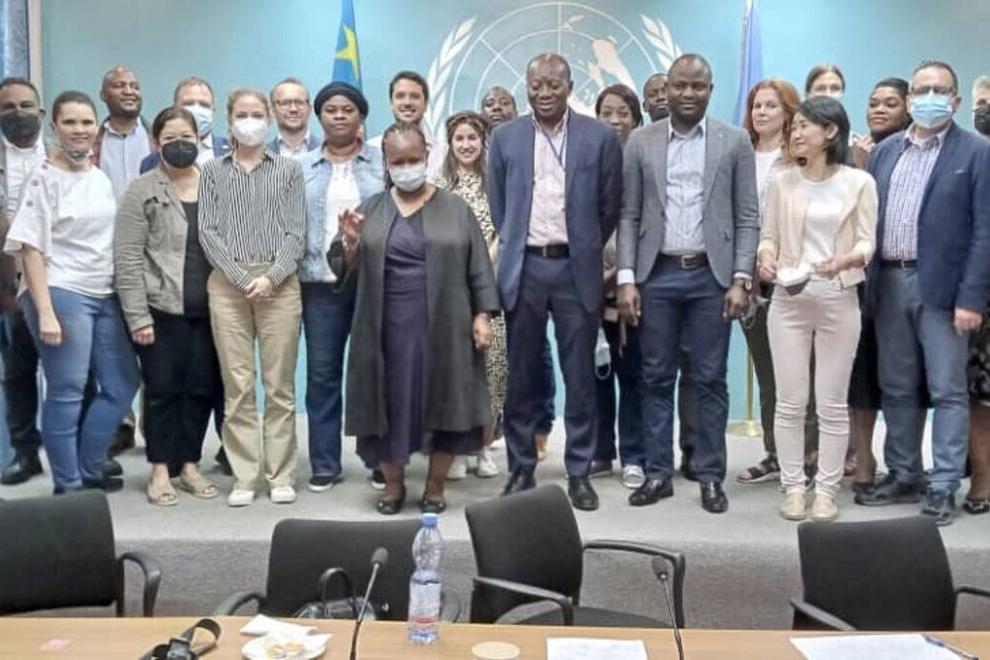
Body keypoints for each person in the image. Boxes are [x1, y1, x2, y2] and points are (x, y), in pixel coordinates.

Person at [332, 121, 499, 515]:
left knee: (446, 401)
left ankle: (435, 487)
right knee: (388, 405)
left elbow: (478, 265)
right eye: (398, 162)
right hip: (384, 330)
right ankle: (393, 487)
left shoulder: (455, 208)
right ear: (386, 163)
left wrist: (483, 314)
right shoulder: (370, 209)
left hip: (447, 326)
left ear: (427, 156)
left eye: (413, 159)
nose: (407, 167)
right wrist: (350, 244)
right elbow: (344, 270)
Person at [617, 53, 759, 513]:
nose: (688, 93)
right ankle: (658, 474)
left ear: (710, 90)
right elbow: (628, 213)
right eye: (680, 85)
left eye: (698, 86)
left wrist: (741, 279)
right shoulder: (640, 141)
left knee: (710, 379)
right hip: (655, 275)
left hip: (710, 277)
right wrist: (626, 278)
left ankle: (710, 476)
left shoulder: (734, 141)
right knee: (656, 377)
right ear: (666, 90)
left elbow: (747, 216)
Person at [857, 60, 990, 526]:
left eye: (940, 90)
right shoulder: (885, 151)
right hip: (889, 281)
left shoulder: (976, 152)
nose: (929, 97)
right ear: (911, 97)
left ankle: (944, 483)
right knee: (896, 386)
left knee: (947, 390)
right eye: (921, 89)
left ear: (955, 100)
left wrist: (972, 298)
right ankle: (905, 474)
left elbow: (985, 232)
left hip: (945, 291)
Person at [490, 53, 623, 511]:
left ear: (570, 86)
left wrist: (584, 246)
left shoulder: (599, 136)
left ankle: (580, 471)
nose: (544, 92)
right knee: (522, 374)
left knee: (580, 375)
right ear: (526, 87)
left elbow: (609, 206)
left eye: (553, 84)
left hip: (574, 268)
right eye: (536, 85)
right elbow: (500, 205)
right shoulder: (505, 137)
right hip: (525, 267)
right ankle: (521, 466)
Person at [3, 90, 139, 494]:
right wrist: (45, 311)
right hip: (61, 291)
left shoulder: (99, 178)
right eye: (70, 122)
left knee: (121, 384)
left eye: (86, 122)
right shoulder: (43, 177)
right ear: (55, 127)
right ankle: (68, 484)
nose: (79, 130)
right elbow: (29, 248)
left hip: (104, 292)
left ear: (96, 127)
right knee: (67, 389)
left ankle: (90, 465)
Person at [758, 96, 878, 522]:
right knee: (790, 402)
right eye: (794, 126)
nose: (796, 132)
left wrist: (847, 259)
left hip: (838, 296)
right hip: (789, 298)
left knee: (831, 403)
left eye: (804, 125)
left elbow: (867, 242)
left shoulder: (859, 182)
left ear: (830, 131)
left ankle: (826, 490)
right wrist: (766, 258)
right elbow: (768, 236)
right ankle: (793, 487)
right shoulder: (782, 181)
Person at [198, 88, 305, 507]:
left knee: (279, 387)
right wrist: (242, 278)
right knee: (238, 385)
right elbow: (208, 231)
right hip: (228, 285)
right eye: (241, 114)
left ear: (269, 119)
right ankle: (245, 474)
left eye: (257, 114)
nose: (250, 121)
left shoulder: (288, 170)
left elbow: (296, 232)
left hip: (279, 284)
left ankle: (280, 474)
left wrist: (271, 277)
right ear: (229, 120)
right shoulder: (212, 171)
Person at [114, 106, 221, 506]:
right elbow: (127, 257)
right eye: (171, 138)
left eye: (187, 138)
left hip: (211, 309)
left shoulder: (216, 185)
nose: (180, 145)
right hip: (159, 309)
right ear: (155, 142)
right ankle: (160, 469)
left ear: (199, 139)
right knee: (162, 389)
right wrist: (137, 317)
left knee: (200, 388)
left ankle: (189, 464)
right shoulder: (141, 189)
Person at [297, 81, 383, 492]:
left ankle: (380, 460)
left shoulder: (382, 162)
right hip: (319, 285)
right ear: (319, 117)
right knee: (322, 376)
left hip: (372, 284)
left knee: (375, 373)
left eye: (347, 109)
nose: (339, 116)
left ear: (361, 116)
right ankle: (325, 463)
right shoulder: (301, 167)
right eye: (331, 110)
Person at [735, 78, 816, 485]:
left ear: (789, 112)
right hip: (750, 282)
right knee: (768, 374)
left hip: (795, 280)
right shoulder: (739, 155)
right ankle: (776, 454)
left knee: (802, 374)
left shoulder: (801, 159)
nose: (762, 112)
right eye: (756, 106)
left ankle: (810, 456)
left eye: (771, 105)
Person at [847, 78, 918, 493]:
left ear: (907, 108)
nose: (879, 109)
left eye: (890, 103)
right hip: (860, 284)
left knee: (904, 380)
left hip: (902, 280)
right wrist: (859, 166)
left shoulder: (914, 153)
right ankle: (864, 461)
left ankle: (907, 465)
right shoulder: (854, 154)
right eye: (873, 102)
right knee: (862, 377)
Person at [432, 111, 504, 481]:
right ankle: (457, 449)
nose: (466, 145)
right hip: (450, 292)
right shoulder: (437, 186)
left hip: (492, 289)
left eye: (472, 138)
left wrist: (483, 268)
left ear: (483, 141)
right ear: (450, 143)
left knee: (493, 373)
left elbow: (504, 231)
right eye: (459, 139)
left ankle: (485, 448)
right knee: (455, 374)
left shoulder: (498, 183)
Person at [593, 84, 647, 488]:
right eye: (606, 112)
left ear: (636, 119)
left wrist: (618, 275)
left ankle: (634, 455)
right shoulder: (586, 162)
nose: (614, 120)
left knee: (633, 376)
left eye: (623, 113)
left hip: (632, 288)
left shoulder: (644, 164)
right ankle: (599, 452)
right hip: (588, 290)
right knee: (594, 374)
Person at [0, 77, 50, 485]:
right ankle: (25, 452)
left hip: (60, 279)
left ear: (42, 113)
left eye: (25, 105)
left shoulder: (62, 155)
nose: (18, 113)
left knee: (76, 373)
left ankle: (84, 452)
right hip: (8, 284)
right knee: (17, 372)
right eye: (8, 107)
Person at [964, 74, 990, 515]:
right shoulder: (971, 158)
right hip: (980, 294)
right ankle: (983, 482)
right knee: (980, 394)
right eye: (981, 103)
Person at [140, 77, 233, 172]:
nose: (197, 110)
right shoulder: (150, 163)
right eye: (188, 103)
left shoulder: (232, 152)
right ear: (174, 108)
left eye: (204, 105)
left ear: (213, 109)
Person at [368, 72, 444, 176]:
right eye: (400, 96)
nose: (407, 102)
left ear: (426, 104)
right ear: (391, 103)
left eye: (415, 96)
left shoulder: (443, 153)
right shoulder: (372, 150)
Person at [93, 67, 152, 200]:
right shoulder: (92, 143)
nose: (129, 91)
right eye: (119, 86)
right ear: (103, 95)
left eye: (135, 87)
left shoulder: (156, 140)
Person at [269, 78, 320, 158]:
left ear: (310, 109)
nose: (293, 109)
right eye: (285, 103)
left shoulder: (326, 151)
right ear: (272, 110)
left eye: (300, 103)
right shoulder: (260, 156)